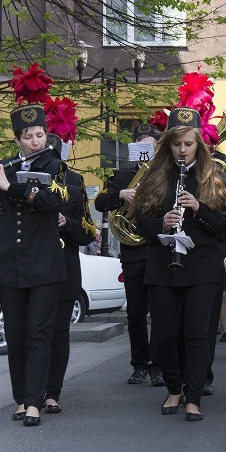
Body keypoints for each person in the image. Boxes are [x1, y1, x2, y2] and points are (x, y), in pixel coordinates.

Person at [0, 103, 68, 427]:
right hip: (10, 266)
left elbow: (54, 201)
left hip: (44, 267)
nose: (36, 141)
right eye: (28, 136)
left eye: (39, 134)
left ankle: (35, 401)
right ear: (18, 139)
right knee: (18, 335)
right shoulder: (4, 166)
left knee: (39, 334)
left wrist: (13, 187)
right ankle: (22, 398)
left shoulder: (55, 165)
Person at [131, 107, 226, 422]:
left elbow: (225, 226)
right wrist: (161, 223)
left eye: (188, 144)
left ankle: (192, 397)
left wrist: (199, 208)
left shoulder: (213, 175)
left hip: (202, 266)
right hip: (163, 264)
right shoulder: (155, 175)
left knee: (196, 333)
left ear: (198, 145)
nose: (182, 150)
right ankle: (173, 387)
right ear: (168, 145)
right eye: (176, 144)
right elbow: (138, 222)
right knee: (163, 334)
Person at [95, 123, 164, 387]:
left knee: (159, 312)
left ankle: (158, 366)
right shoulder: (122, 175)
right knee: (135, 313)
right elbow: (101, 202)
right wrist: (120, 194)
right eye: (142, 145)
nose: (147, 151)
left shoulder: (163, 175)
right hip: (133, 253)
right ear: (135, 148)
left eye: (151, 146)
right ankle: (139, 365)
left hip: (157, 249)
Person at [44, 132, 96, 414]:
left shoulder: (74, 181)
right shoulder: (21, 177)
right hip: (34, 267)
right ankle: (31, 392)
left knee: (59, 333)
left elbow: (89, 232)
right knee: (34, 333)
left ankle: (53, 393)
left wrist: (67, 223)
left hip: (65, 266)